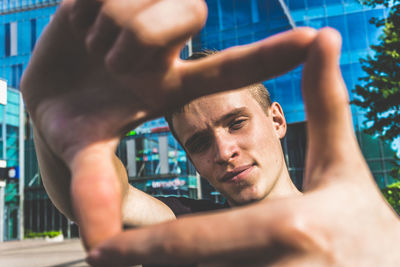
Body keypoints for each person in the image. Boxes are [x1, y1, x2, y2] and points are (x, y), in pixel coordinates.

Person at [20, 0, 400, 266]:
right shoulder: (184, 226)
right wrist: (56, 129)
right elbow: (104, 199)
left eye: (236, 122)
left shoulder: (357, 230)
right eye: (199, 143)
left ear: (277, 121)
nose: (223, 150)